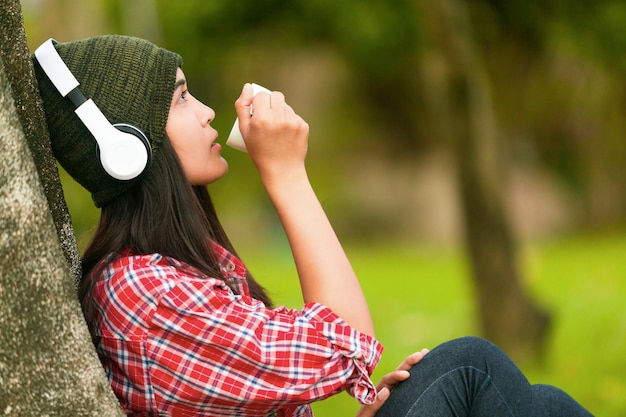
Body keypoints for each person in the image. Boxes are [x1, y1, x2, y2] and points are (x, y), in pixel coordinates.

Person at [32, 35, 593, 417]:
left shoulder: (174, 268)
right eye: (181, 98)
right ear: (124, 147)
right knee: (470, 367)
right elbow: (349, 342)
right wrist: (286, 174)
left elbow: (328, 359)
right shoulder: (144, 293)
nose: (205, 111)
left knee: (526, 399)